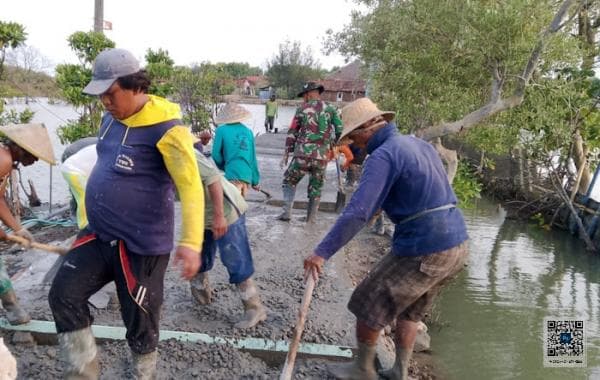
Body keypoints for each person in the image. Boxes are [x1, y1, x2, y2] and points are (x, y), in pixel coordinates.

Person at [48, 48, 204, 380]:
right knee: (63, 294)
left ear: (135, 85)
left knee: (141, 320)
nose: (105, 102)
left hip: (140, 245)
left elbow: (191, 187)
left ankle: (142, 374)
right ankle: (82, 371)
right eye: (100, 95)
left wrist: (191, 243)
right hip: (99, 232)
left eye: (110, 93)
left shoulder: (167, 130)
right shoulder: (111, 119)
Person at [303, 98, 469, 380]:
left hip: (425, 245)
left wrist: (322, 252)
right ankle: (399, 372)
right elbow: (413, 190)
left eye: (355, 135)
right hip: (457, 243)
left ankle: (363, 369)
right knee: (411, 312)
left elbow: (358, 212)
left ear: (370, 126)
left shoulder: (384, 155)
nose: (356, 143)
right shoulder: (418, 144)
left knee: (367, 301)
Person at [189, 149, 267, 329]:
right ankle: (201, 298)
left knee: (234, 258)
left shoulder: (181, 150)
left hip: (225, 209)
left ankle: (254, 308)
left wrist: (219, 216)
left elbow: (213, 178)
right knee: (198, 255)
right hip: (199, 210)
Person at [0, 123, 56, 325]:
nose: (36, 159)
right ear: (19, 149)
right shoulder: (3, 160)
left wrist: (18, 229)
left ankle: (14, 310)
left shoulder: (5, 159)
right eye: (33, 154)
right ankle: (13, 310)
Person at [278, 82, 343, 223]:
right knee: (316, 186)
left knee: (289, 180)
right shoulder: (332, 109)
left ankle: (286, 213)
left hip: (302, 154)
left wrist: (287, 152)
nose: (303, 99)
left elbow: (292, 131)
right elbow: (339, 130)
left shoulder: (301, 109)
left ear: (309, 94)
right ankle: (311, 218)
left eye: (304, 95)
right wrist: (334, 142)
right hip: (321, 157)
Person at [211, 103, 260, 198]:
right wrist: (255, 181)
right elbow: (252, 159)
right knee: (241, 205)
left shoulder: (221, 130)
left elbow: (215, 154)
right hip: (246, 175)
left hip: (231, 173)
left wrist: (223, 166)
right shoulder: (248, 131)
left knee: (232, 207)